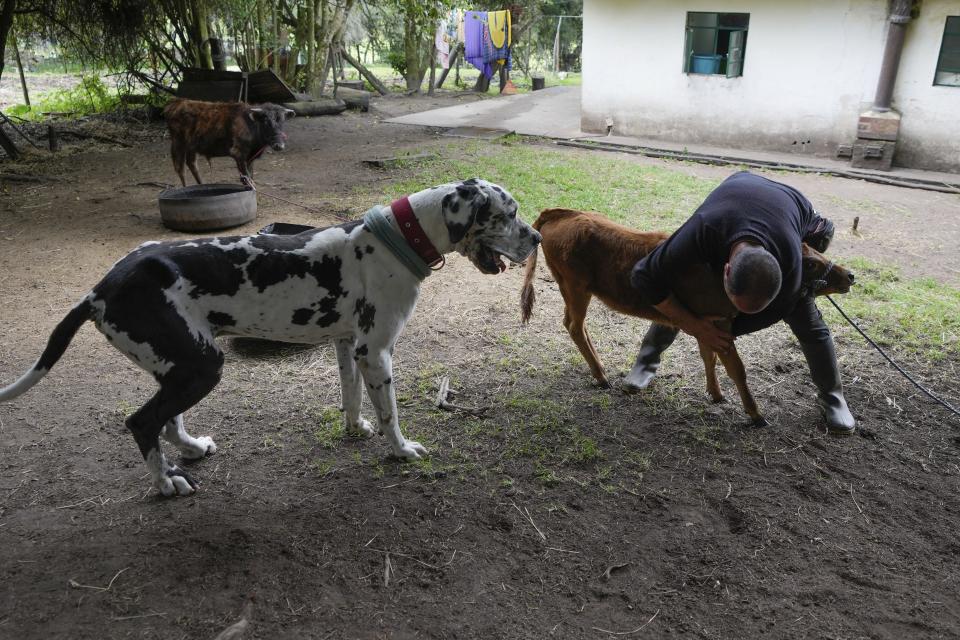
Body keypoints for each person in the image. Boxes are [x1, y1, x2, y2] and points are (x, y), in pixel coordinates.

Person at [628, 171, 855, 435]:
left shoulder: (791, 266)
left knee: (807, 319)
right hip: (736, 193)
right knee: (688, 296)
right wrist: (696, 325)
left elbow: (764, 314)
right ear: (726, 270)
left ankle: (833, 396)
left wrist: (719, 331)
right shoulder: (702, 231)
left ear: (780, 278)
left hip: (802, 217)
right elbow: (644, 276)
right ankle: (647, 359)